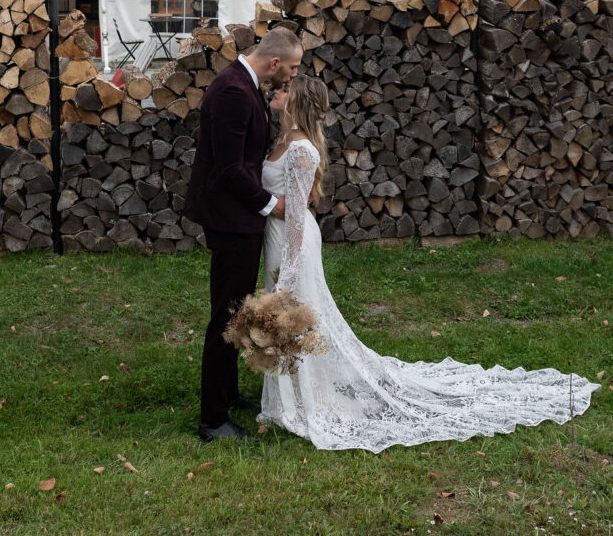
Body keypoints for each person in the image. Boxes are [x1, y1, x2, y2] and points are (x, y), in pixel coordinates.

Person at [259, 75, 600, 452]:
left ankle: (307, 401)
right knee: (293, 318)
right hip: (276, 238)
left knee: (296, 312)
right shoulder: (282, 140)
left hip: (295, 243)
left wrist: (287, 276)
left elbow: (294, 215)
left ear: (298, 101)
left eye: (286, 88)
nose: (277, 89)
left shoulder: (302, 149)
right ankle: (288, 396)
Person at [184, 26, 304, 442]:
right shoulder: (234, 91)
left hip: (238, 217)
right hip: (230, 218)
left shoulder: (245, 83)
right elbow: (230, 169)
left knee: (237, 310)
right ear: (274, 63)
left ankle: (229, 393)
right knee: (227, 317)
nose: (292, 76)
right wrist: (273, 205)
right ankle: (213, 419)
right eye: (291, 68)